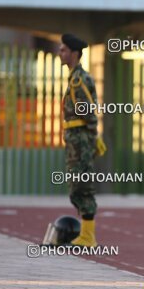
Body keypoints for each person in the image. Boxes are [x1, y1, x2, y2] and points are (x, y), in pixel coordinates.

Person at [59, 33, 99, 247]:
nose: (60, 53)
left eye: (64, 50)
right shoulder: (75, 77)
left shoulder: (78, 80)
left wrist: (92, 138)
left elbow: (88, 113)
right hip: (77, 139)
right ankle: (86, 234)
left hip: (80, 140)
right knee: (78, 184)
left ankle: (88, 236)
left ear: (74, 53)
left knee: (81, 185)